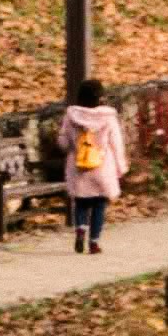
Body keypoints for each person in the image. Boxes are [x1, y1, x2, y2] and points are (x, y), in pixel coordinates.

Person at [57, 75, 129, 254]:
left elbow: (63, 143)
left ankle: (81, 228)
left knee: (81, 203)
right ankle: (94, 243)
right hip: (102, 167)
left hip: (79, 166)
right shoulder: (108, 117)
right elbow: (116, 144)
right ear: (100, 98)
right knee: (99, 206)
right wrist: (121, 166)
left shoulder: (71, 116)